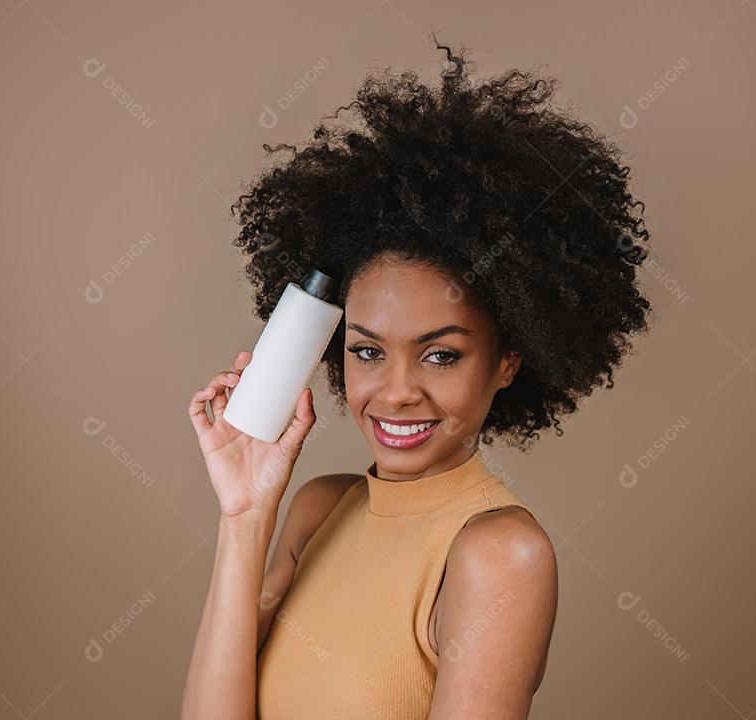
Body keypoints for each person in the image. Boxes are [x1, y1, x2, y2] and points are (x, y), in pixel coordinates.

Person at [181, 40, 653, 720]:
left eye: (440, 355)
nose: (397, 391)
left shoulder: (499, 557)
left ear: (509, 360)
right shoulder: (319, 508)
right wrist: (245, 514)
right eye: (368, 351)